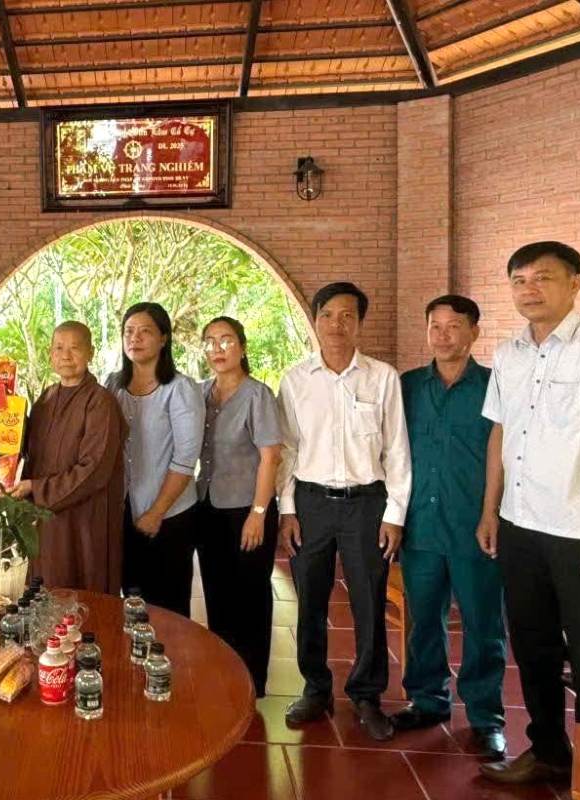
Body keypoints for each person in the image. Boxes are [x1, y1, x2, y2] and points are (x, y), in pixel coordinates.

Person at [477, 242, 580, 786]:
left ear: (575, 282)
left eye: (542, 278)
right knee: (533, 646)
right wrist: (491, 511)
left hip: (579, 532)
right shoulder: (508, 354)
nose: (529, 290)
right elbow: (500, 433)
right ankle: (548, 751)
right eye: (519, 280)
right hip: (520, 525)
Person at [277, 281, 411, 742]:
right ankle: (316, 689)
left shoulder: (382, 377)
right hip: (310, 503)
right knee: (309, 601)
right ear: (315, 320)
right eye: (328, 315)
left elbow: (397, 450)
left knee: (369, 601)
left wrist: (394, 513)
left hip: (367, 506)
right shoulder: (295, 380)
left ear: (360, 322)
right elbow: (289, 450)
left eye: (348, 315)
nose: (337, 324)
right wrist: (287, 509)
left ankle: (367, 694)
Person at [391, 295, 506, 760]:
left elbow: (506, 456)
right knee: (423, 620)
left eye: (454, 325)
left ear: (474, 332)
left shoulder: (495, 387)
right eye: (434, 325)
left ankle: (485, 717)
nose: (443, 334)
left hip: (474, 526)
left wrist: (491, 513)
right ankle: (428, 699)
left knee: (483, 623)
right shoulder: (409, 386)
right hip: (420, 525)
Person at [193, 316, 282, 697]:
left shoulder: (257, 395)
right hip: (207, 506)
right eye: (210, 342)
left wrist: (258, 514)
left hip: (247, 509)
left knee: (251, 594)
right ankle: (226, 672)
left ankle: (253, 681)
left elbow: (270, 457)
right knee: (217, 590)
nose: (217, 349)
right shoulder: (200, 394)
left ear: (242, 347)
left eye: (226, 341)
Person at [12, 321, 127, 593]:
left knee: (84, 589)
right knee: (45, 588)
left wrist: (36, 489)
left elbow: (95, 468)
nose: (66, 356)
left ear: (91, 353)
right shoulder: (46, 398)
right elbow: (29, 452)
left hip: (84, 519)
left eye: (75, 348)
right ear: (50, 354)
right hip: (45, 517)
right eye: (59, 348)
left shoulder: (101, 402)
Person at [104, 302, 203, 617]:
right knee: (130, 598)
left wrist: (156, 512)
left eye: (145, 331)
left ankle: (171, 666)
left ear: (163, 338)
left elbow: (186, 459)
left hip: (169, 515)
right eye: (129, 331)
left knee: (167, 605)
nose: (135, 338)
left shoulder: (180, 388)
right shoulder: (113, 385)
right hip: (124, 510)